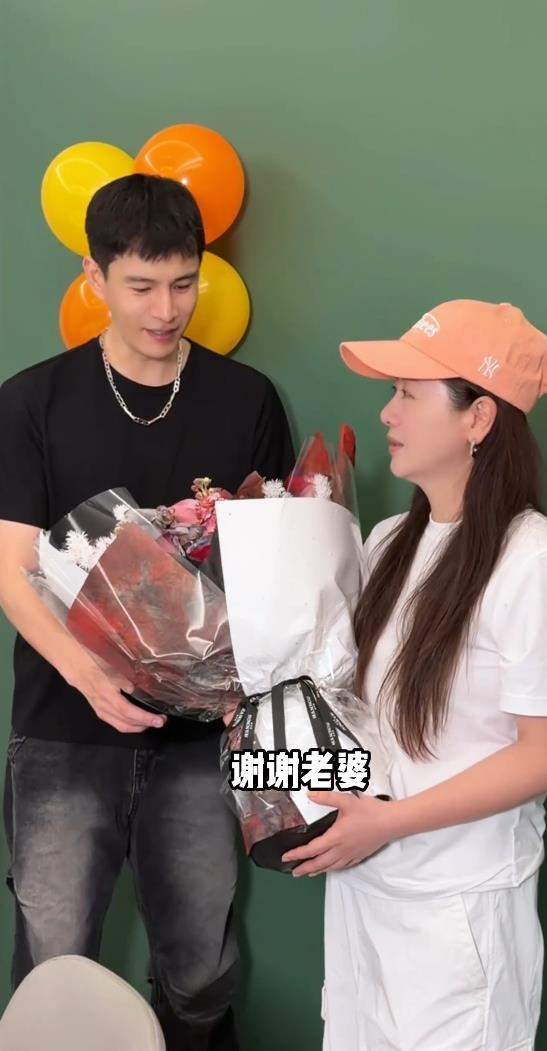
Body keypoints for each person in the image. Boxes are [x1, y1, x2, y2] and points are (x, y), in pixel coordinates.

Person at [0, 173, 294, 1051]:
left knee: (202, 969)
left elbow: (279, 562)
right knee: (52, 966)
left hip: (201, 745)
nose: (166, 309)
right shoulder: (31, 401)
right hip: (63, 730)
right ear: (94, 277)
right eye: (140, 285)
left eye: (183, 282)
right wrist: (88, 675)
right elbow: (13, 567)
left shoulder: (247, 399)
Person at [282, 300, 547, 1051]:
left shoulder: (537, 561)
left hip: (460, 911)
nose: (386, 413)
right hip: (365, 891)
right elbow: (357, 709)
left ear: (477, 418)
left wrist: (389, 822)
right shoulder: (390, 540)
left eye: (407, 393)